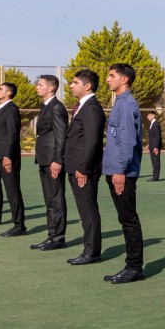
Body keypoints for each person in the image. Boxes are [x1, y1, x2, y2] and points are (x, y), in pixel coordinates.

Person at [102, 63, 144, 284]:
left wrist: (120, 170)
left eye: (112, 76)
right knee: (124, 218)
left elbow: (127, 142)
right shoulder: (119, 103)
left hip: (123, 173)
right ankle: (132, 265)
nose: (108, 79)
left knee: (129, 219)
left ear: (124, 79)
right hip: (116, 170)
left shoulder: (127, 105)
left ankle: (134, 267)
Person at [65, 69, 105, 266]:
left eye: (75, 82)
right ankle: (89, 248)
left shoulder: (92, 109)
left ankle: (92, 251)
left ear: (87, 86)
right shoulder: (82, 106)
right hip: (76, 167)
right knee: (84, 210)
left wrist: (83, 168)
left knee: (88, 210)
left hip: (84, 170)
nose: (71, 85)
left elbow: (92, 142)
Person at [31, 74, 69, 251]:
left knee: (56, 199)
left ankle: (58, 237)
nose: (36, 87)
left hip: (52, 160)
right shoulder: (46, 106)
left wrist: (57, 160)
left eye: (40, 85)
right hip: (44, 158)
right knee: (49, 199)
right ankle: (51, 235)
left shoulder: (56, 107)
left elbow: (61, 136)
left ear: (51, 88)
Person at [0, 82, 27, 237]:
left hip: (7, 157)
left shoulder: (11, 109)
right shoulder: (1, 109)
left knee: (13, 192)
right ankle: (10, 222)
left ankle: (19, 226)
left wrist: (7, 156)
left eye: (1, 89)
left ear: (9, 93)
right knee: (3, 189)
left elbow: (12, 134)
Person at [146, 109, 163, 181]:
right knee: (153, 162)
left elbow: (157, 136)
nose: (147, 117)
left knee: (156, 162)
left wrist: (156, 147)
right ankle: (154, 176)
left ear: (153, 116)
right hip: (152, 146)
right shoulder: (151, 124)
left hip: (155, 147)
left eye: (149, 115)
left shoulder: (156, 124)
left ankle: (155, 177)